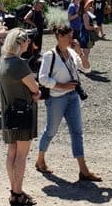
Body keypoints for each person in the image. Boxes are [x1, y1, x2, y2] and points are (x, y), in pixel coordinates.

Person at [35, 25, 100, 180]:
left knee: (77, 132)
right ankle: (40, 159)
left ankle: (83, 169)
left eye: (72, 35)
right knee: (51, 130)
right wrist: (60, 86)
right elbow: (42, 78)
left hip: (72, 96)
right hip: (56, 98)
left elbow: (87, 69)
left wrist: (81, 53)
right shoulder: (49, 55)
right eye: (69, 36)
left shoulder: (71, 52)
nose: (72, 39)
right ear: (59, 37)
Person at [0, 29, 41, 206]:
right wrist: (37, 92)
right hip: (23, 112)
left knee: (12, 153)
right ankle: (17, 193)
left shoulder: (4, 63)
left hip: (9, 112)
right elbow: (34, 87)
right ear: (21, 43)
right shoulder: (20, 64)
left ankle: (14, 189)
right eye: (26, 41)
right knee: (22, 156)